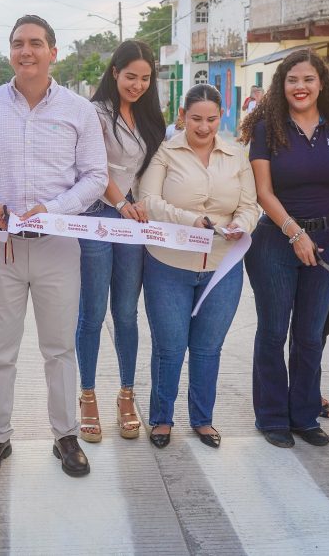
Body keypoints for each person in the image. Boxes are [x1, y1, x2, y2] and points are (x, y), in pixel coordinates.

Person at [0, 14, 108, 478]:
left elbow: (96, 176)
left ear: (53, 51)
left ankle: (65, 437)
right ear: (10, 51)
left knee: (59, 347)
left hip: (58, 246)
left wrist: (56, 209)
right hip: (1, 246)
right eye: (18, 43)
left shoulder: (79, 110)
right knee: (0, 348)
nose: (26, 51)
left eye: (36, 43)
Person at [239, 49, 329, 449]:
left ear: (321, 83)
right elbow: (263, 192)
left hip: (327, 241)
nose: (300, 87)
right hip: (276, 241)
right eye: (292, 80)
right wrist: (294, 232)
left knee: (310, 335)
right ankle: (272, 416)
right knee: (274, 333)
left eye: (308, 79)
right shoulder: (267, 129)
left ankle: (304, 415)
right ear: (282, 85)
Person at [139, 84, 260, 449]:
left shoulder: (236, 154)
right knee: (170, 347)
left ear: (220, 115)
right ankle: (161, 419)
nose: (203, 127)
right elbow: (148, 201)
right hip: (168, 263)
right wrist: (191, 220)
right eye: (195, 119)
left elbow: (251, 205)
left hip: (223, 264)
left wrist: (244, 225)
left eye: (210, 119)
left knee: (208, 347)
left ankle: (202, 420)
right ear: (183, 115)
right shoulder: (165, 152)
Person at [75, 40, 165, 444]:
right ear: (114, 72)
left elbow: (149, 170)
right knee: (92, 313)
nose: (138, 84)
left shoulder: (150, 118)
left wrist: (140, 203)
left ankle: (127, 394)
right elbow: (92, 168)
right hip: (97, 216)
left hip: (132, 218)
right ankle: (88, 395)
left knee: (127, 313)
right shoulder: (94, 114)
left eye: (145, 78)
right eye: (131, 76)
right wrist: (120, 203)